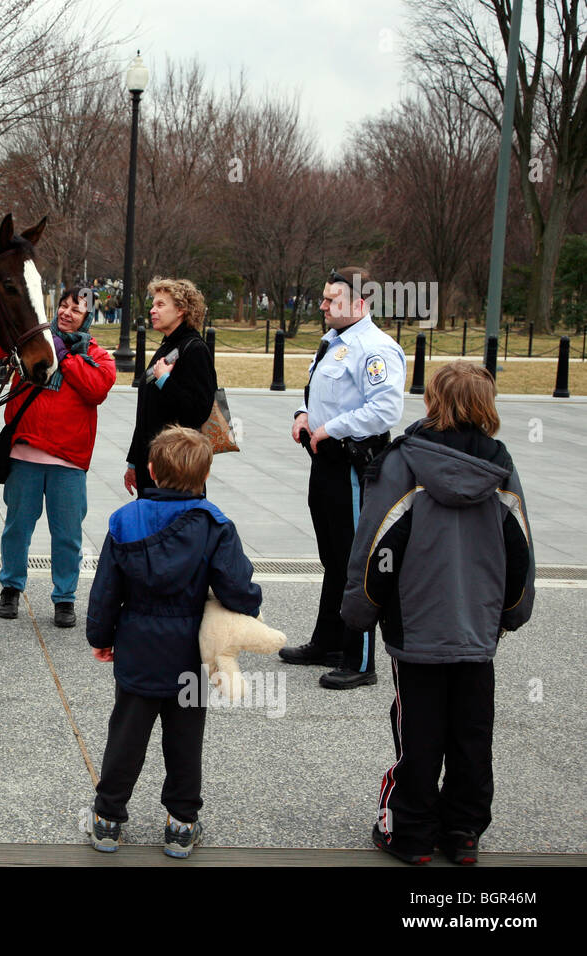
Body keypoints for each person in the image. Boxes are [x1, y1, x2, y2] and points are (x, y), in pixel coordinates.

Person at [342, 361, 534, 865]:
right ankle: (464, 831)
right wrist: (512, 611)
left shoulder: (402, 460)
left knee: (419, 731)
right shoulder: (501, 464)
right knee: (472, 731)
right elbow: (519, 548)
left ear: (433, 401)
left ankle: (411, 831)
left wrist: (360, 609)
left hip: (416, 622)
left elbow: (377, 543)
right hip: (477, 624)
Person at [85, 426, 262, 857]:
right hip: (191, 648)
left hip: (138, 643)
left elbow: (106, 589)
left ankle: (109, 817)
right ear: (206, 473)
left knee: (126, 733)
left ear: (150, 470)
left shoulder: (125, 522)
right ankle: (182, 823)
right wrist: (249, 605)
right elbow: (238, 589)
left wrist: (101, 635)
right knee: (185, 739)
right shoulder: (215, 524)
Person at [281, 267, 406, 689]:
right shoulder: (333, 342)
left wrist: (330, 429)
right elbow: (316, 390)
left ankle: (360, 658)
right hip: (325, 463)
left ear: (360, 304)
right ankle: (329, 641)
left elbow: (386, 410)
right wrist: (303, 414)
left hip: (354, 465)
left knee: (357, 561)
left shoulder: (375, 349)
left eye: (332, 299)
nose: (322, 305)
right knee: (333, 558)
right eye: (323, 297)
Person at [0, 288, 116, 627]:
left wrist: (66, 357)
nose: (67, 312)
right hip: (24, 453)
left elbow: (97, 388)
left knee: (68, 536)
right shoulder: (31, 342)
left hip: (69, 462)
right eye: (63, 305)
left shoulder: (98, 355)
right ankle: (10, 589)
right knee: (16, 528)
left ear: (88, 316)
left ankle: (64, 599)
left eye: (76, 308)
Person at [124, 278, 216, 498]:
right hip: (152, 462)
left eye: (160, 305)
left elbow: (198, 410)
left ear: (181, 310)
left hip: (179, 466)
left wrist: (165, 380)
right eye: (153, 305)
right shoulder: (167, 346)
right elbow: (146, 412)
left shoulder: (194, 349)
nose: (152, 311)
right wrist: (133, 462)